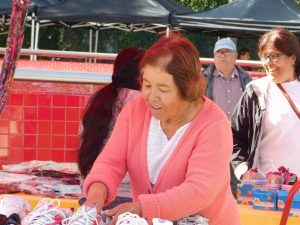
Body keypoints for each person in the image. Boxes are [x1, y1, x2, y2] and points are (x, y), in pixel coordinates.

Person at [83, 35, 240, 225]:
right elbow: (110, 162)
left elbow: (199, 191)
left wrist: (141, 208)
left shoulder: (213, 124)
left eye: (163, 89)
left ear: (187, 89)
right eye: (147, 85)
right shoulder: (135, 111)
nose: (151, 96)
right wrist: (97, 194)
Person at [77, 47, 145, 208]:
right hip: (124, 200)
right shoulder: (140, 103)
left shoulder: (98, 99)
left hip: (90, 195)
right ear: (142, 74)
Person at [231, 28, 300, 181]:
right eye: (265, 56)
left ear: (293, 58)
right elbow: (235, 137)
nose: (268, 62)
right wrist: (243, 171)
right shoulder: (256, 91)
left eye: (275, 56)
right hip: (266, 192)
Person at [203, 38, 252, 120]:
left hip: (239, 131)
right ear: (214, 56)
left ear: (235, 56)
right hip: (213, 130)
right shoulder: (204, 79)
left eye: (227, 51)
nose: (222, 55)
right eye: (219, 51)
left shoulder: (246, 79)